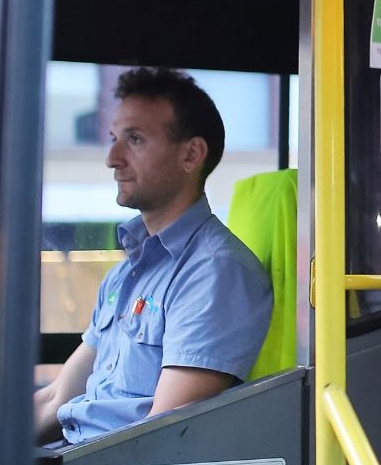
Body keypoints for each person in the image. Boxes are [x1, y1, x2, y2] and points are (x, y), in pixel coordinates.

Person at [34, 67, 273, 446]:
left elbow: (161, 436)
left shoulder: (214, 272)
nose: (112, 158)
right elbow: (55, 398)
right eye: (114, 138)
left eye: (135, 140)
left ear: (191, 154)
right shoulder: (125, 274)